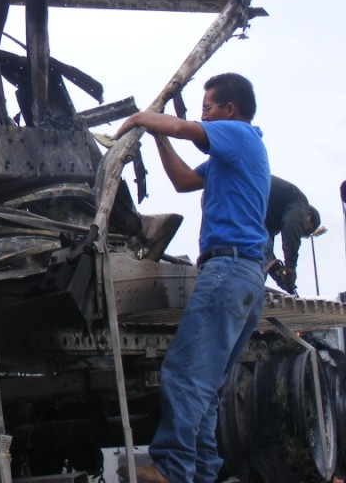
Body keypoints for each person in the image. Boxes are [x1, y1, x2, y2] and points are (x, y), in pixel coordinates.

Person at [114, 73, 269, 483]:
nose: (203, 117)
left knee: (184, 375)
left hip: (227, 270)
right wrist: (157, 136)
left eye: (207, 109)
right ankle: (200, 473)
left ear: (228, 110)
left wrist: (139, 118)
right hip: (245, 276)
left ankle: (172, 468)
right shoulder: (234, 157)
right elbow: (183, 181)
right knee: (207, 388)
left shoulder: (238, 134)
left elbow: (186, 130)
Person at [264, 175, 321, 295]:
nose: (301, 233)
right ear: (308, 216)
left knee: (259, 257)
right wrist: (290, 267)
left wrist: (278, 274)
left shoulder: (272, 218)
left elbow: (266, 254)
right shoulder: (300, 202)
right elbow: (292, 227)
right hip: (242, 192)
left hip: (235, 204)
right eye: (305, 231)